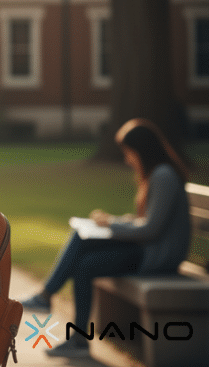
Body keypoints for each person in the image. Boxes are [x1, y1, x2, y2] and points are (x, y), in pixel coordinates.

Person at [21, 118, 191, 358]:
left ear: (143, 150)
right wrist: (111, 221)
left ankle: (49, 300)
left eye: (129, 153)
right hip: (148, 251)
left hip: (156, 258)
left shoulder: (163, 176)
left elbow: (150, 230)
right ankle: (59, 314)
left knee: (85, 253)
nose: (127, 159)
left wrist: (111, 227)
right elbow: (145, 223)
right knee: (84, 246)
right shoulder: (159, 174)